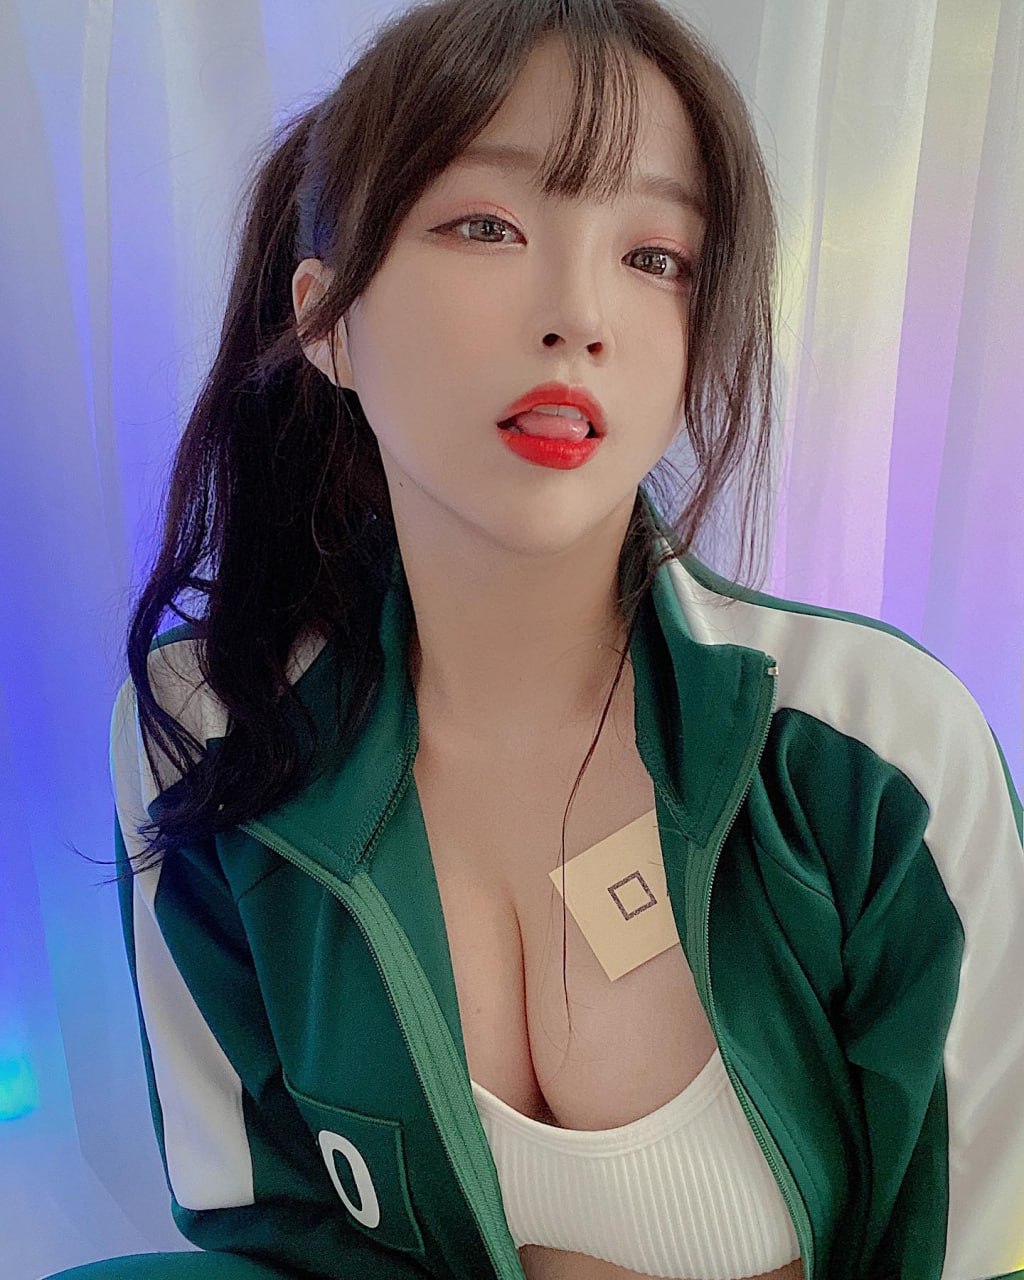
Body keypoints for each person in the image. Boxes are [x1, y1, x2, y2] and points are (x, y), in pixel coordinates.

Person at [47, 0, 1024, 1277]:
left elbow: (982, 1237)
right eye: (486, 227)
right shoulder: (212, 723)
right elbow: (266, 1227)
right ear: (327, 318)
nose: (579, 314)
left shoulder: (873, 747)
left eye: (656, 255)